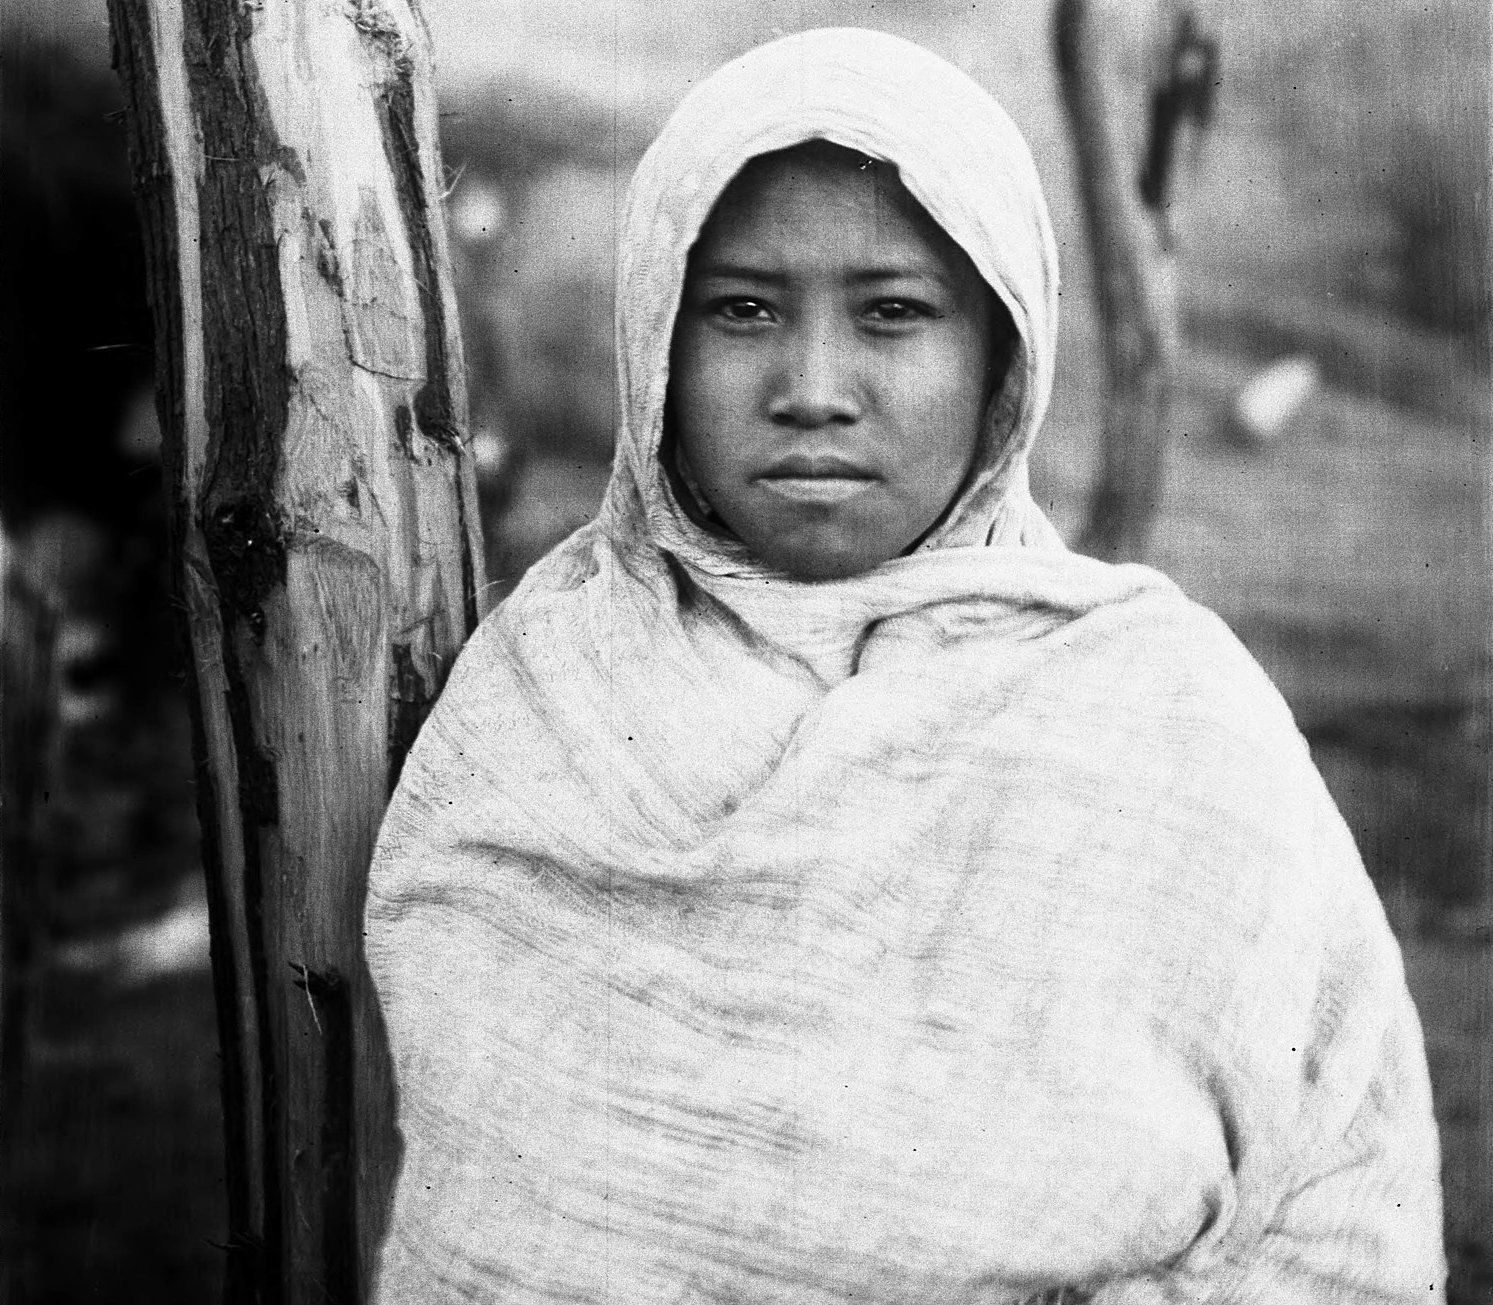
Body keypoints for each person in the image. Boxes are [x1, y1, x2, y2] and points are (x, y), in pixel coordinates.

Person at [364, 28, 1445, 1302]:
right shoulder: (538, 705)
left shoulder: (1168, 716)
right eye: (744, 310)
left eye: (892, 314)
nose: (812, 387)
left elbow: (1341, 1205)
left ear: (1001, 357)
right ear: (656, 336)